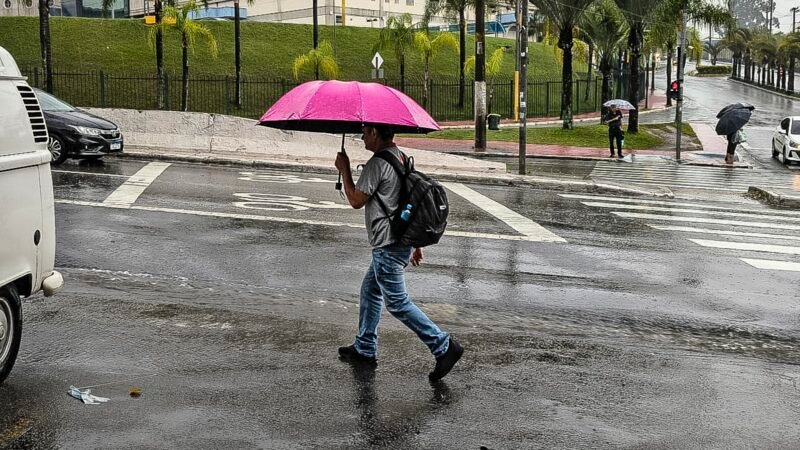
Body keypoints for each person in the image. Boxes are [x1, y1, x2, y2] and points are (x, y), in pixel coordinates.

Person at [334, 124, 464, 382]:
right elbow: (409, 199)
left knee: (397, 302)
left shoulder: (377, 164)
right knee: (370, 291)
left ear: (374, 132)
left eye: (364, 131)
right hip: (398, 241)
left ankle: (443, 346)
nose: (361, 136)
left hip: (388, 244)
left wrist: (344, 169)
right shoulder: (400, 157)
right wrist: (415, 243)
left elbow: (356, 200)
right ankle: (364, 347)